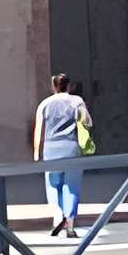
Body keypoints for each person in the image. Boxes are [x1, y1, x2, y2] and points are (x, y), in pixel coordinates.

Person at [31, 73, 90, 239]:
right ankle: (70, 224)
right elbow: (87, 122)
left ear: (53, 86)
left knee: (53, 185)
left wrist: (36, 152)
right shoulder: (76, 101)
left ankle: (57, 216)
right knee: (72, 186)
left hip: (51, 149)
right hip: (71, 148)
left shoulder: (45, 104)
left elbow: (38, 130)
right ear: (69, 86)